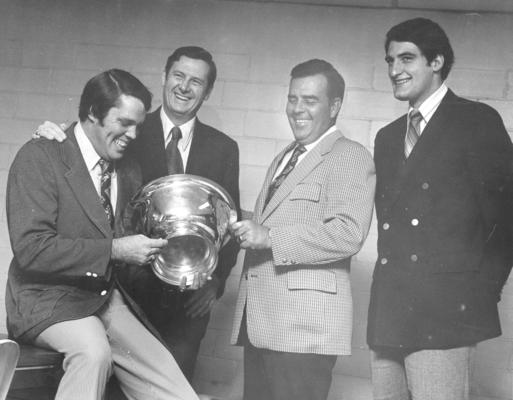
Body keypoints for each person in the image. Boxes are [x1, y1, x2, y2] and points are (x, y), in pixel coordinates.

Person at [35, 46, 240, 382]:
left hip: (187, 305)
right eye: (178, 75)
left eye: (196, 82)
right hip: (128, 296)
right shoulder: (131, 131)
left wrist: (214, 285)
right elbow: (88, 138)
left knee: (171, 385)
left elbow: (229, 224)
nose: (184, 87)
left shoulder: (224, 148)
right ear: (164, 77)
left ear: (209, 90)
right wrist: (56, 134)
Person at [6, 69, 198, 399]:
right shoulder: (40, 156)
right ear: (93, 112)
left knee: (173, 385)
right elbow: (31, 249)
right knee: (93, 354)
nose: (133, 134)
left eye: (138, 125)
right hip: (48, 300)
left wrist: (176, 261)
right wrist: (115, 250)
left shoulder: (129, 168)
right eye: (124, 122)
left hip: (107, 299)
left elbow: (129, 246)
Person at [367, 18, 513, 400]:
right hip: (389, 313)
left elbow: (508, 219)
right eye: (390, 60)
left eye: (407, 58)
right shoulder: (386, 137)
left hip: (445, 316)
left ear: (437, 61)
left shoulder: (477, 121)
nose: (394, 70)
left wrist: (480, 293)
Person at [230, 59, 376, 400]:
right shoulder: (286, 155)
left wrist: (268, 237)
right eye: (293, 98)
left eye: (310, 100)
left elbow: (348, 233)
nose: (297, 109)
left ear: (335, 106)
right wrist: (235, 219)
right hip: (262, 324)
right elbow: (280, 220)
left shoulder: (349, 156)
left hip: (303, 333)